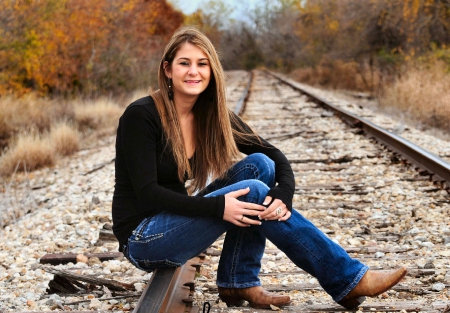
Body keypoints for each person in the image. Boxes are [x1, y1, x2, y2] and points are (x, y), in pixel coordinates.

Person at [112, 26, 407, 310]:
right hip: (144, 238)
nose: (194, 71)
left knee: (260, 166)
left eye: (202, 64)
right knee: (253, 191)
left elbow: (274, 154)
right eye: (184, 63)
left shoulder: (211, 115)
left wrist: (284, 193)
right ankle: (347, 278)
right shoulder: (142, 116)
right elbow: (148, 194)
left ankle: (238, 281)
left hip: (174, 221)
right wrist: (218, 208)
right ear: (167, 69)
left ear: (212, 70)